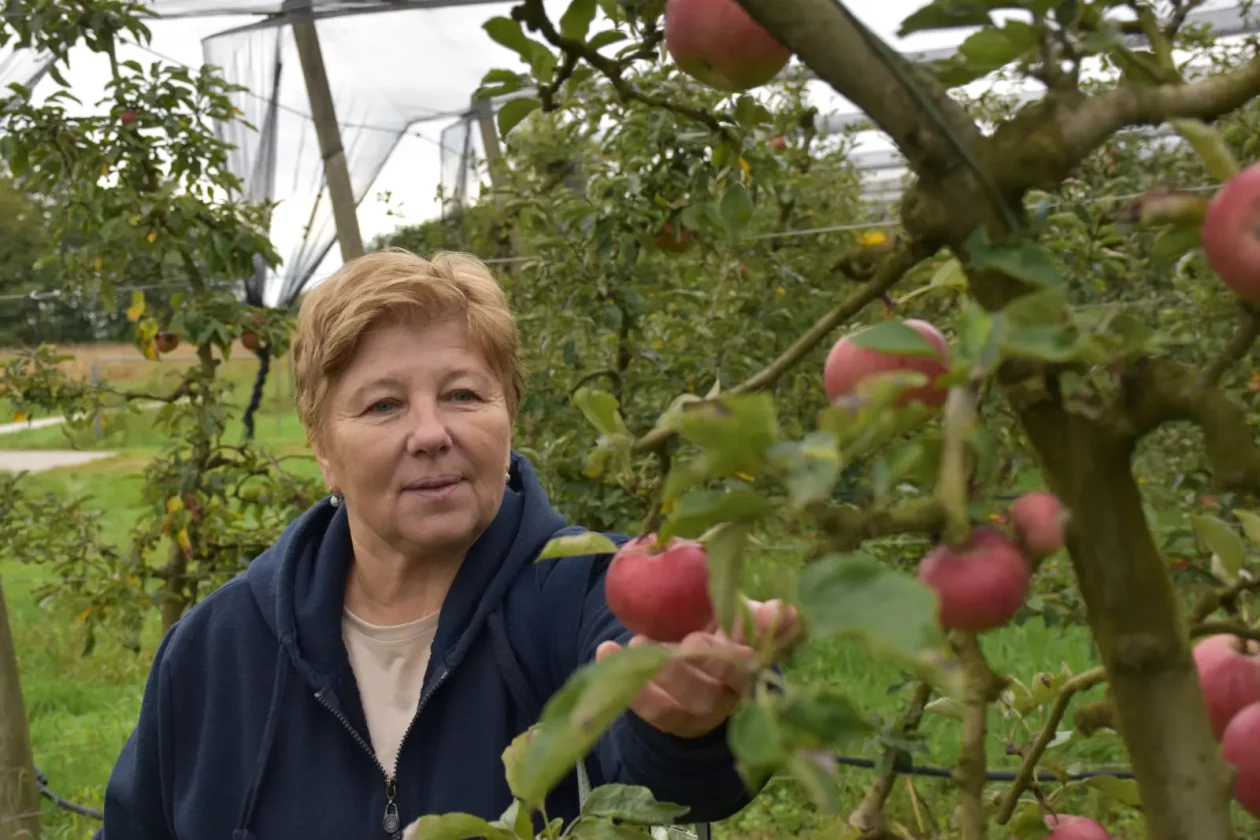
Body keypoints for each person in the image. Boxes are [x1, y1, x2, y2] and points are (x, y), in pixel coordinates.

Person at [94, 249, 797, 840]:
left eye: (463, 395)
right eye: (383, 405)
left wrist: (689, 716)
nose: (431, 432)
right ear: (323, 449)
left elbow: (684, 763)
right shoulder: (218, 649)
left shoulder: (589, 590)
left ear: (508, 415)